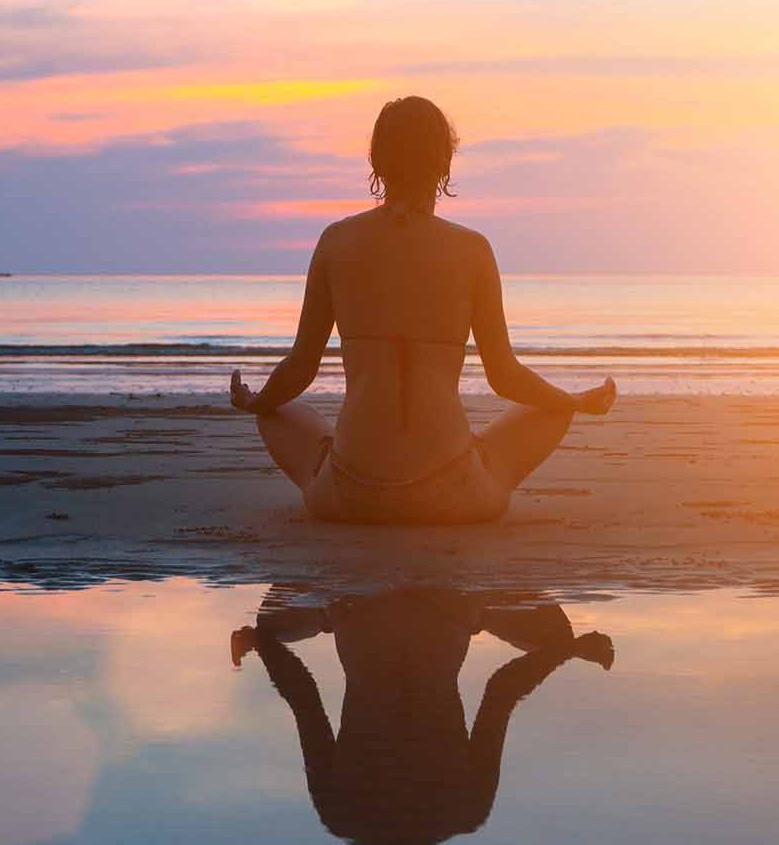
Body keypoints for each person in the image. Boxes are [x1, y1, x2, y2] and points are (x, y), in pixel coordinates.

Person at [229, 95, 616, 523]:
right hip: (453, 494)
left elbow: (301, 368)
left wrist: (256, 401)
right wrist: (574, 401)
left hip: (351, 494)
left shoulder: (336, 241)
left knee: (278, 412)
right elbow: (504, 375)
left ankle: (335, 462)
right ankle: (480, 456)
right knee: (553, 410)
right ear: (444, 162)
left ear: (376, 160)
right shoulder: (472, 250)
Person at [231, 585, 614, 844]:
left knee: (557, 637)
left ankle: (469, 609)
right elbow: (304, 700)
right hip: (376, 603)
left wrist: (566, 651)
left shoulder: (466, 811)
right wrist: (262, 643)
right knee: (269, 626)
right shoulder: (340, 815)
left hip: (428, 605)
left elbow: (501, 692)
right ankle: (333, 611)